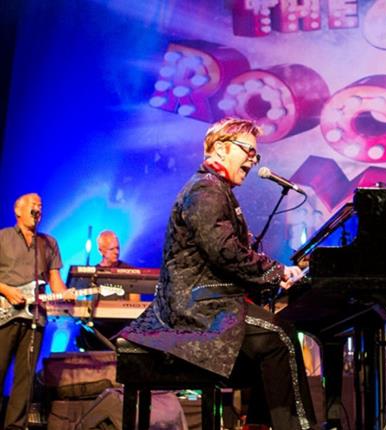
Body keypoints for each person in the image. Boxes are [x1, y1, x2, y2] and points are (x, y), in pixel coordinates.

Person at [119, 117, 315, 429]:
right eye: (247, 151)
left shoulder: (215, 189)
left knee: (275, 344)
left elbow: (232, 255)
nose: (252, 160)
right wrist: (278, 272)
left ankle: (261, 426)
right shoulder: (205, 191)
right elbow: (225, 252)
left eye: (255, 154)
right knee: (281, 336)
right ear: (221, 150)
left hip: (208, 302)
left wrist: (276, 275)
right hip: (196, 309)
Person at [0, 193, 76, 429]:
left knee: (25, 378)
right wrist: (7, 290)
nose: (37, 208)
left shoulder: (49, 243)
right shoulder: (2, 238)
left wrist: (67, 294)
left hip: (35, 317)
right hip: (5, 314)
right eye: (33, 204)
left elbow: (55, 282)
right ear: (18, 210)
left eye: (40, 205)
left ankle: (15, 426)